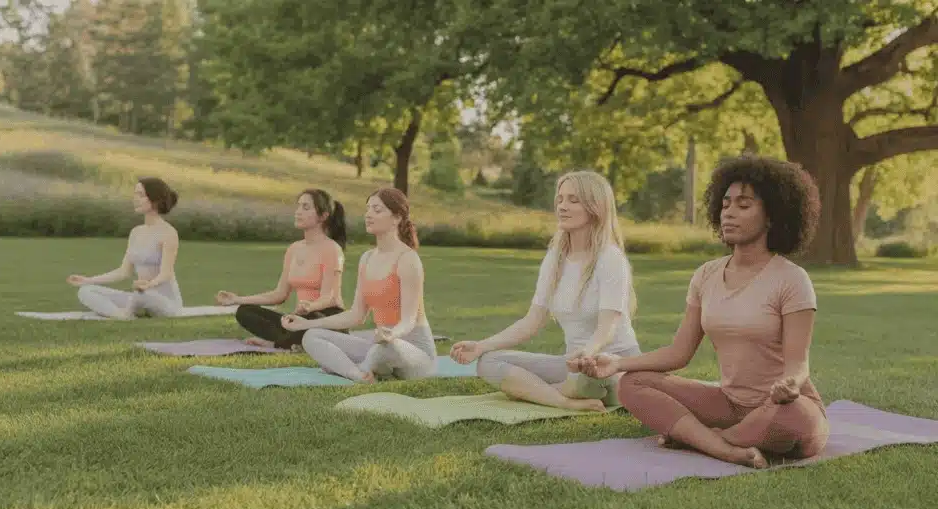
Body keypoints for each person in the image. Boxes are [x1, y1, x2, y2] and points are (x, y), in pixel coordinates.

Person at [569, 155, 827, 469]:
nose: (729, 213)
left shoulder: (792, 279)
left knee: (795, 416)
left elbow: (798, 365)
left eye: (744, 206)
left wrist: (789, 386)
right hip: (731, 404)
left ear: (772, 215)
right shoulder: (706, 275)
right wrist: (618, 363)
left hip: (783, 407)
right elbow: (679, 352)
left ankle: (700, 439)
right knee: (632, 383)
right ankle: (724, 447)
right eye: (726, 204)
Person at [450, 170, 641, 412]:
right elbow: (532, 321)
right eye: (560, 199)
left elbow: (607, 327)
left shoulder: (610, 258)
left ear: (596, 207)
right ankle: (565, 401)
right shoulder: (555, 258)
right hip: (573, 364)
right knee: (489, 362)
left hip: (611, 366)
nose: (562, 206)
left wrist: (588, 353)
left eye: (573, 200)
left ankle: (539, 391)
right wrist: (481, 346)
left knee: (582, 380)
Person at [281, 187, 436, 383]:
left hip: (413, 354)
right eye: (368, 209)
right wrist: (307, 323)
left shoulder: (408, 259)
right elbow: (356, 314)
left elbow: (409, 320)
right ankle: (357, 374)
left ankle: (354, 367)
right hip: (379, 343)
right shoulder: (367, 258)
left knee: (386, 348)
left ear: (396, 218)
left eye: (377, 210)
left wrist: (392, 333)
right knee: (312, 337)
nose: (369, 215)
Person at [215, 189, 348, 349]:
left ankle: (283, 342)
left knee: (308, 322)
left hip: (326, 317)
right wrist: (237, 299)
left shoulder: (332, 249)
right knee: (245, 312)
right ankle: (294, 342)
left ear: (323, 216)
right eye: (298, 207)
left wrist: (310, 307)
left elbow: (331, 297)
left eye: (305, 208)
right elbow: (279, 295)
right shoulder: (294, 249)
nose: (298, 212)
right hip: (299, 320)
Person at [66, 177, 183, 319]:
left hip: (164, 301)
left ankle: (126, 312)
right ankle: (122, 315)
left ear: (156, 200)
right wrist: (88, 280)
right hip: (138, 294)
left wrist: (149, 285)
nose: (135, 199)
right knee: (85, 291)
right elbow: (123, 272)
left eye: (141, 195)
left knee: (141, 296)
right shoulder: (136, 232)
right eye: (135, 194)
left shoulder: (168, 233)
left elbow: (166, 273)